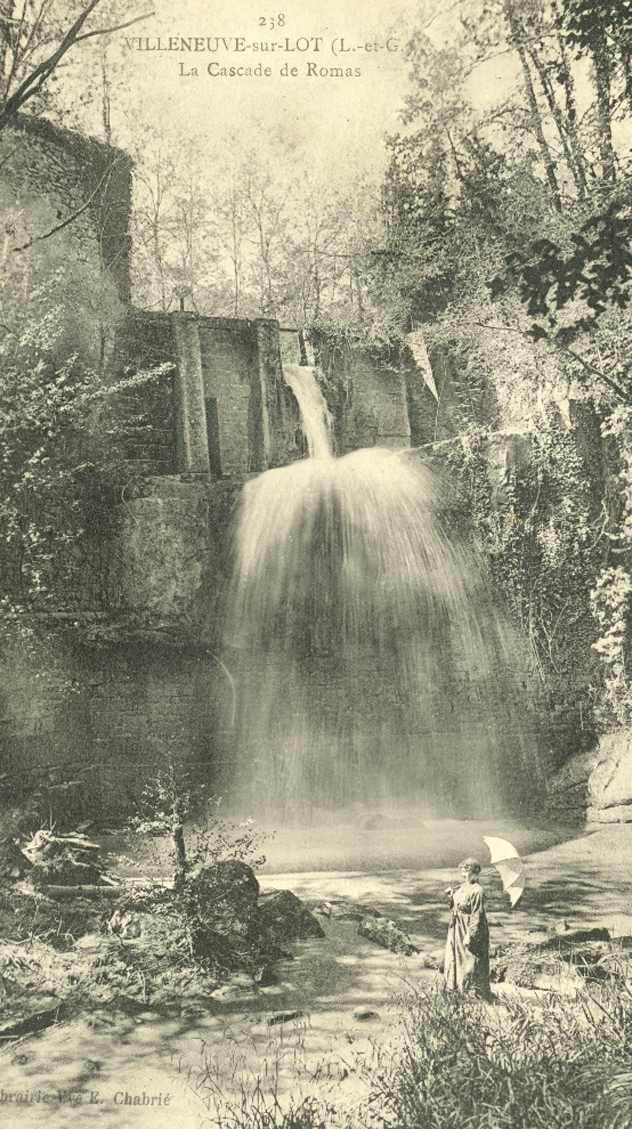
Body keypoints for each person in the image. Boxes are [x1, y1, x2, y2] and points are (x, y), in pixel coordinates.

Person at [444, 856, 491, 1000]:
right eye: (462, 872)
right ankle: (455, 988)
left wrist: (470, 935)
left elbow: (477, 916)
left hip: (468, 929)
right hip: (457, 928)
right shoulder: (464, 886)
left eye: (465, 872)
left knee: (469, 960)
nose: (463, 875)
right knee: (454, 957)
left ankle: (470, 992)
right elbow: (456, 907)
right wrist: (452, 896)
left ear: (473, 872)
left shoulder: (478, 891)